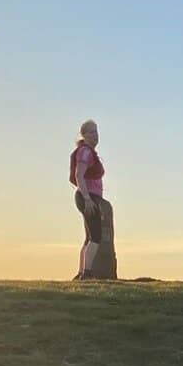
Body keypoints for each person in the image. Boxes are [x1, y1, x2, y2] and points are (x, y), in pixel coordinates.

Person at [69, 118, 104, 282]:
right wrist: (88, 199)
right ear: (83, 135)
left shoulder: (88, 151)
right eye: (91, 132)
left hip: (88, 196)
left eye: (96, 131)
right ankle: (87, 273)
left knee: (90, 236)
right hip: (87, 196)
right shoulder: (85, 152)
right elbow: (78, 175)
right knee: (96, 236)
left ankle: (82, 272)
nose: (95, 135)